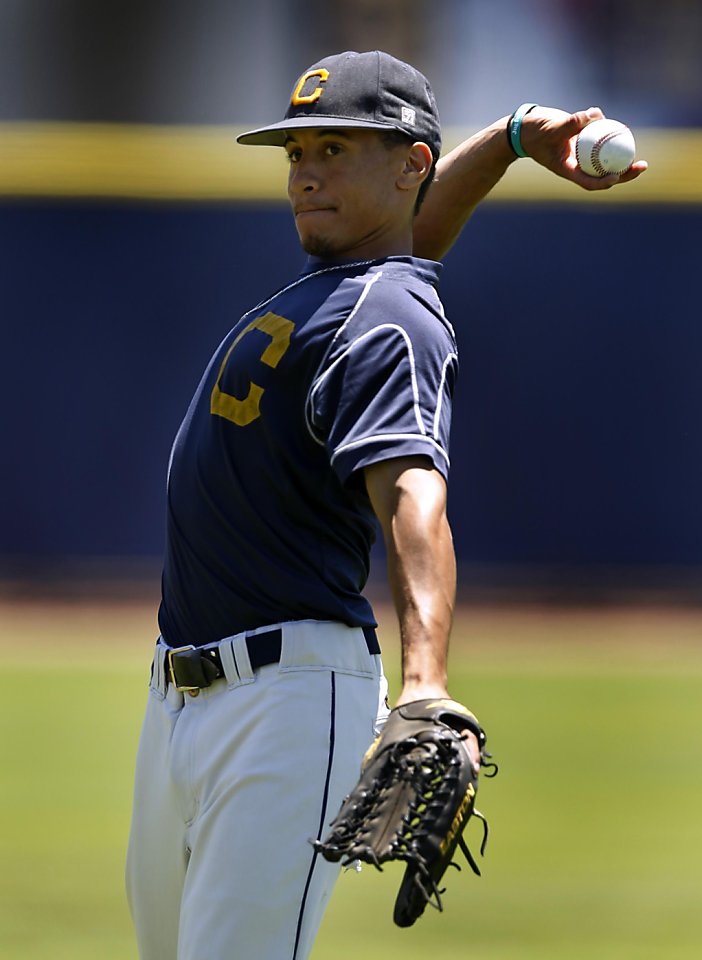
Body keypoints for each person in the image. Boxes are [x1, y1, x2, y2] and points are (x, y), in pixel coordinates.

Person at [125, 50, 646, 960]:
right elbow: (409, 237)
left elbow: (415, 495)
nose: (306, 171)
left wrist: (426, 684)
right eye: (296, 152)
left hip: (283, 707)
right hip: (181, 700)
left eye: (335, 146)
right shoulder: (354, 288)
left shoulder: (391, 319)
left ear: (408, 162)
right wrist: (515, 138)